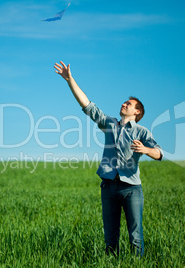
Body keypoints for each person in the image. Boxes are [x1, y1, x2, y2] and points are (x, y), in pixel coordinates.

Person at [54, 61, 163, 257]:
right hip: (108, 187)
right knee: (110, 238)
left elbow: (160, 153)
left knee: (135, 236)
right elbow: (87, 105)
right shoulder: (110, 124)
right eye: (124, 102)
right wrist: (70, 80)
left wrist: (146, 149)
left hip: (132, 189)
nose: (124, 104)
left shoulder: (142, 131)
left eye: (128, 104)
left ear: (137, 112)